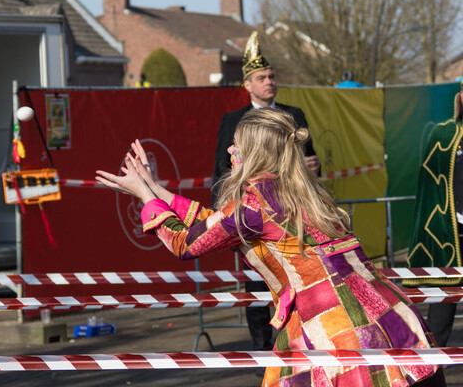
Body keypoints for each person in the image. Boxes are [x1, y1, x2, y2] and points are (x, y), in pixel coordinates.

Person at [96, 108, 444, 386]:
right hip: (392, 320)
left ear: (254, 154)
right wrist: (156, 189)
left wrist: (144, 196)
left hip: (337, 335)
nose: (230, 151)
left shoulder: (254, 204)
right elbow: (216, 224)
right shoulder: (302, 191)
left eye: (236, 145)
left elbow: (185, 243)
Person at [212, 30, 320, 358]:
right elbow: (220, 173)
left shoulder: (294, 115)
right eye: (262, 77)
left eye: (272, 76)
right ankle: (262, 352)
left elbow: (314, 165)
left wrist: (311, 168)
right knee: (259, 287)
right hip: (254, 219)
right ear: (247, 84)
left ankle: (303, 348)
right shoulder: (232, 121)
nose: (269, 81)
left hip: (294, 217)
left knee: (302, 283)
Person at [405, 80, 463, 347]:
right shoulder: (443, 135)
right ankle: (433, 373)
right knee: (440, 321)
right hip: (449, 237)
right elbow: (428, 193)